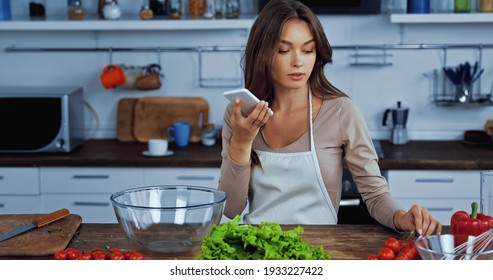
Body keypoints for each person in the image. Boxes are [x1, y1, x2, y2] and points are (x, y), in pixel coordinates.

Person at [218, 0, 442, 236]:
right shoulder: (241, 115)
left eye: (308, 50)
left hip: (322, 250)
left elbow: (374, 194)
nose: (298, 61)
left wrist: (401, 217)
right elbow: (232, 210)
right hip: (258, 249)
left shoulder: (342, 112)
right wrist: (241, 143)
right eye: (283, 50)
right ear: (262, 53)